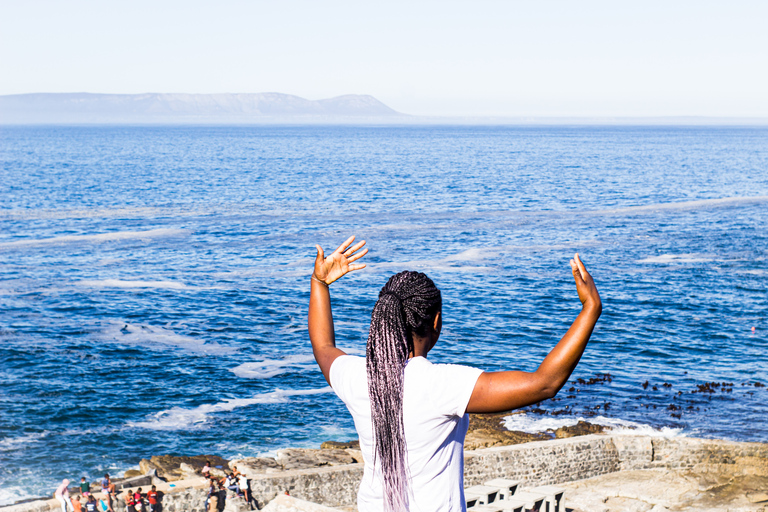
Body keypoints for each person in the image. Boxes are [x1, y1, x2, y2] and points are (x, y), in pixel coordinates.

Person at [308, 236, 602, 512]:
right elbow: (543, 384)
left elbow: (323, 346)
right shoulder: (440, 385)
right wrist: (591, 309)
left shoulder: (358, 377)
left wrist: (320, 282)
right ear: (436, 322)